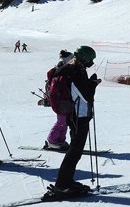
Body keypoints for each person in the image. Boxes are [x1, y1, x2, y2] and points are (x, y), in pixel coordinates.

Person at [44, 45, 101, 199]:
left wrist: (89, 83)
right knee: (74, 151)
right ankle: (62, 185)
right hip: (78, 115)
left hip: (74, 114)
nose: (91, 64)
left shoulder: (71, 69)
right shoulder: (75, 72)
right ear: (84, 58)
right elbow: (86, 95)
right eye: (90, 60)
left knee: (75, 151)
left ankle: (66, 181)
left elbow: (78, 91)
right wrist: (93, 84)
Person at [45, 50, 74, 150]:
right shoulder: (60, 70)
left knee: (65, 121)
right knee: (61, 121)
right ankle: (52, 141)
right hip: (60, 101)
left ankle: (60, 140)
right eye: (72, 59)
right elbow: (55, 88)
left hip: (65, 100)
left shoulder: (64, 69)